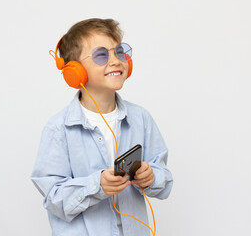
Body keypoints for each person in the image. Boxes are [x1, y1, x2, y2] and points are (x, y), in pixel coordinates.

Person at [31, 18, 173, 236]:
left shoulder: (141, 118)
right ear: (75, 71)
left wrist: (151, 176)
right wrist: (96, 186)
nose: (116, 60)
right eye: (101, 55)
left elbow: (163, 178)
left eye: (119, 52)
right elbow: (54, 198)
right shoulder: (58, 128)